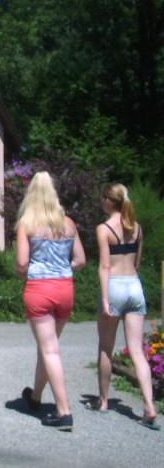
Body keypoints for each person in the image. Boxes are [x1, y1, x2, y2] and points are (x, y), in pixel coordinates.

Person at [15, 171, 86, 431]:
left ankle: (63, 412)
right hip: (64, 289)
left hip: (39, 290)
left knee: (50, 350)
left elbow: (22, 263)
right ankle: (35, 398)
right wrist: (61, 267)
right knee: (48, 347)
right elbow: (80, 260)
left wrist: (26, 271)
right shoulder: (67, 224)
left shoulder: (27, 224)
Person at [88, 183, 159, 429]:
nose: (101, 201)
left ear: (110, 202)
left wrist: (105, 299)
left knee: (106, 347)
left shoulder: (104, 229)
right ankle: (149, 405)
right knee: (137, 351)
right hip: (134, 286)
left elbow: (104, 266)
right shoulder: (136, 227)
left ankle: (103, 401)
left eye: (103, 198)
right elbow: (137, 262)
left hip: (115, 286)